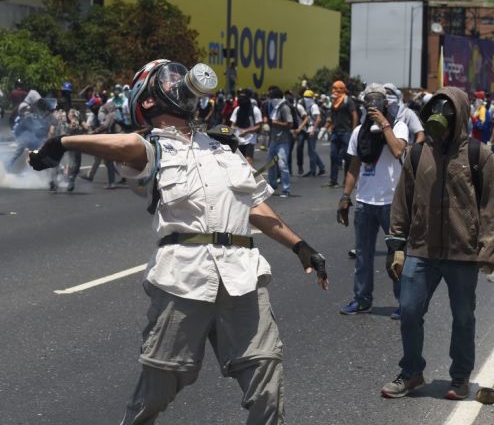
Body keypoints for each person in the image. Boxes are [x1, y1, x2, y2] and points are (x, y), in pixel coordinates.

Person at [28, 59, 329, 424]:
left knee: (268, 380)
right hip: (185, 279)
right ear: (149, 100)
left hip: (243, 277)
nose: (179, 83)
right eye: (168, 80)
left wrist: (301, 246)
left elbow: (256, 208)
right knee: (155, 392)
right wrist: (62, 142)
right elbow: (126, 145)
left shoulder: (224, 149)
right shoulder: (152, 148)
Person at [381, 87, 494, 400]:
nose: (441, 120)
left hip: (462, 253)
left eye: (447, 113)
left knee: (463, 317)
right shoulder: (418, 154)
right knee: (408, 310)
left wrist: (488, 250)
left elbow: (492, 206)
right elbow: (402, 199)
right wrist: (396, 241)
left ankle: (460, 377)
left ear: (460, 114)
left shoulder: (479, 154)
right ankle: (411, 372)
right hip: (421, 249)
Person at [336, 84, 408, 318]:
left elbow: (398, 151)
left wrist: (384, 124)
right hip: (365, 203)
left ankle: (404, 303)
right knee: (363, 256)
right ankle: (362, 299)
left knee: (396, 256)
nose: (372, 106)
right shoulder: (359, 132)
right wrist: (346, 197)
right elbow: (354, 166)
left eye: (377, 102)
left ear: (386, 104)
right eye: (369, 102)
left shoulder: (399, 126)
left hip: (392, 203)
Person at [323, 81, 358, 188]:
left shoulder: (348, 100)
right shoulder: (334, 101)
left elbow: (354, 115)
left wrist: (353, 131)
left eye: (336, 88)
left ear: (341, 88)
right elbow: (331, 117)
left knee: (347, 157)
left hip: (346, 132)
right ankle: (333, 180)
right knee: (333, 156)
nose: (334, 90)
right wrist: (324, 128)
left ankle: (346, 180)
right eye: (333, 88)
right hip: (335, 133)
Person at [264, 86, 294, 197]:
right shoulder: (272, 107)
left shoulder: (284, 108)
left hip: (283, 141)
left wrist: (277, 124)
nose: (270, 100)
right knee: (270, 163)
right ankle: (272, 185)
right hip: (273, 140)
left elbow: (289, 124)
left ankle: (286, 189)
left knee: (283, 165)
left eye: (272, 98)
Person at [230, 90, 262, 166]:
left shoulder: (255, 110)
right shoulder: (237, 109)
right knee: (239, 160)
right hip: (238, 138)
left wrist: (246, 131)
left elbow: (259, 125)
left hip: (250, 138)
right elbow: (233, 124)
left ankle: (250, 175)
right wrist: (233, 132)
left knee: (248, 159)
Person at [299, 90, 325, 177]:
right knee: (312, 151)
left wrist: (313, 130)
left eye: (308, 97)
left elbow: (318, 119)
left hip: (313, 130)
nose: (306, 99)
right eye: (305, 97)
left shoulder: (314, 106)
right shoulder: (307, 106)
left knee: (312, 151)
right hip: (309, 130)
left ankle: (313, 170)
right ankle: (321, 167)